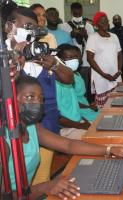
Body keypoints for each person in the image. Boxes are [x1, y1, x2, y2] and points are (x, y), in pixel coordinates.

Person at [4, 75, 123, 199]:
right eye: (30, 97)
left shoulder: (32, 127)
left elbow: (68, 145)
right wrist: (45, 187)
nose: (37, 103)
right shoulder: (4, 141)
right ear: (11, 99)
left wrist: (110, 150)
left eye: (40, 99)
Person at [4, 6, 75, 186]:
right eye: (27, 26)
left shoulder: (40, 51)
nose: (32, 32)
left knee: (42, 181)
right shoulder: (4, 57)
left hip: (46, 128)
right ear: (9, 27)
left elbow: (68, 78)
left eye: (34, 28)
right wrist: (16, 61)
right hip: (16, 134)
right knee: (17, 184)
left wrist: (53, 66)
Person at [56, 44, 99, 140]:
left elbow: (74, 107)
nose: (74, 60)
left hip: (77, 122)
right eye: (69, 57)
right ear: (58, 60)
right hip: (67, 128)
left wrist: (83, 122)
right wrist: (80, 125)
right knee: (100, 138)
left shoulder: (69, 80)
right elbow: (58, 117)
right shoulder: (56, 84)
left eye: (76, 57)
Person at [60, 2, 95, 103]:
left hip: (84, 62)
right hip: (67, 62)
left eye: (79, 13)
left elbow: (92, 46)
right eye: (75, 13)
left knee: (84, 87)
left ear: (82, 11)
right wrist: (71, 34)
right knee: (69, 86)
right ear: (71, 12)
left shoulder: (89, 27)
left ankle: (86, 106)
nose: (78, 15)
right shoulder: (64, 27)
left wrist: (85, 36)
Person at [86, 11, 122, 107]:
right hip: (100, 76)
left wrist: (119, 71)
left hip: (115, 76)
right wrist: (103, 74)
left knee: (116, 103)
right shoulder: (93, 37)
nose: (105, 23)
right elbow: (90, 59)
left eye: (106, 21)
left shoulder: (114, 37)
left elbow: (120, 56)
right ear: (96, 24)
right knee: (103, 106)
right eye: (102, 22)